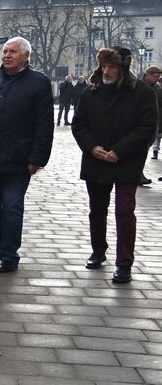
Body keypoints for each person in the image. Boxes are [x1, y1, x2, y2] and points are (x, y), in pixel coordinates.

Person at [0, 36, 53, 273]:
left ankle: (9, 254)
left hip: (19, 158)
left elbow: (44, 124)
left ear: (26, 56)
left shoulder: (38, 82)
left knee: (12, 206)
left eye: (13, 52)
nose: (7, 55)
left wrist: (37, 158)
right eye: (4, 51)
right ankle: (2, 238)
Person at [72, 48, 157, 284]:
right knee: (97, 210)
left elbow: (146, 128)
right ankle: (98, 250)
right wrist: (92, 147)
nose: (106, 71)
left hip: (126, 162)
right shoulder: (91, 92)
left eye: (112, 67)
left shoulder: (142, 93)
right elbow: (79, 124)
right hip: (96, 159)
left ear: (123, 69)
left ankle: (124, 263)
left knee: (124, 211)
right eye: (103, 66)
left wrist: (119, 150)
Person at [142, 65, 162, 160]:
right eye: (155, 76)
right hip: (139, 121)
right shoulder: (138, 86)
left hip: (153, 121)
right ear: (148, 75)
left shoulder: (158, 89)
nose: (157, 79)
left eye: (158, 77)